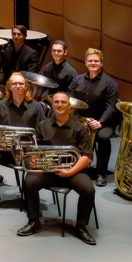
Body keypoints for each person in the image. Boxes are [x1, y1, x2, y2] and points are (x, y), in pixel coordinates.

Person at [16, 91, 97, 245]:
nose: (60, 105)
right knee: (29, 182)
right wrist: (33, 159)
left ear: (69, 105)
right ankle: (34, 221)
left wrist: (70, 172)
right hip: (48, 170)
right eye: (57, 102)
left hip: (73, 172)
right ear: (52, 105)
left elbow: (87, 156)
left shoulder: (79, 128)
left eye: (63, 102)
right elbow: (34, 150)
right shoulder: (43, 125)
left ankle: (81, 226)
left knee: (89, 189)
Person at [0, 72, 45, 209]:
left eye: (21, 83)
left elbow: (43, 131)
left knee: (34, 166)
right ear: (10, 86)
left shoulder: (36, 106)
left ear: (26, 86)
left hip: (26, 151)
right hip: (6, 150)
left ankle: (32, 203)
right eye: (14, 83)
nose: (18, 86)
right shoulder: (1, 105)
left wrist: (32, 148)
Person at [68, 47, 120, 187]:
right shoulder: (77, 79)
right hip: (83, 119)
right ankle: (78, 166)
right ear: (85, 62)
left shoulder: (110, 83)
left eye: (96, 61)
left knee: (102, 137)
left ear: (101, 63)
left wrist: (100, 122)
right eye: (90, 61)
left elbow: (111, 106)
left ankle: (101, 172)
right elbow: (70, 100)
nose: (93, 63)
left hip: (104, 121)